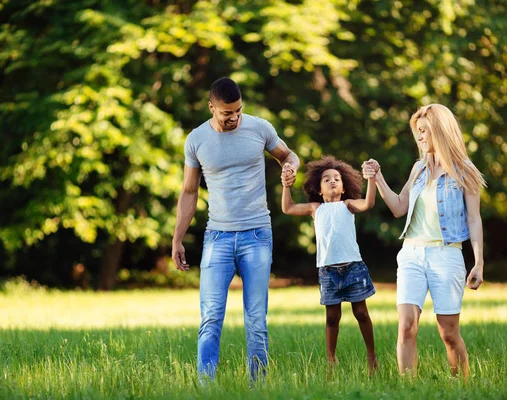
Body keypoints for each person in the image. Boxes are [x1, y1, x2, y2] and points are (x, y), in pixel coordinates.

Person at [171, 77, 299, 381]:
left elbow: (288, 155)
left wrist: (290, 168)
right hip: (218, 237)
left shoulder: (260, 128)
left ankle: (259, 385)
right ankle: (207, 385)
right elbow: (189, 192)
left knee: (256, 320)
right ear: (211, 106)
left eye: (238, 111)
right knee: (211, 317)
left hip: (257, 235)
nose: (234, 118)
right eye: (227, 113)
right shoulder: (196, 140)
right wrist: (177, 238)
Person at [362, 103, 486, 378]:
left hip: (447, 256)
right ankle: (410, 389)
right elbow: (398, 207)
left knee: (448, 332)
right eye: (417, 132)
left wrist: (478, 262)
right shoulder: (418, 169)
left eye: (423, 131)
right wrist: (378, 177)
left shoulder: (464, 171)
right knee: (406, 326)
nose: (419, 137)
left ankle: (463, 387)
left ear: (439, 130)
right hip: (411, 254)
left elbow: (474, 219)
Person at [280, 155, 378, 373]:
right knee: (332, 317)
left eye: (337, 178)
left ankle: (371, 355)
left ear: (344, 187)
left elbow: (368, 203)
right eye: (327, 179)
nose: (333, 181)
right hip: (328, 271)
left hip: (353, 268)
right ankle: (331, 359)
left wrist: (371, 179)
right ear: (319, 189)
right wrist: (286, 186)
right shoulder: (316, 208)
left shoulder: (348, 204)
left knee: (361, 313)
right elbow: (288, 208)